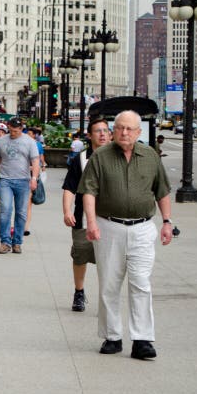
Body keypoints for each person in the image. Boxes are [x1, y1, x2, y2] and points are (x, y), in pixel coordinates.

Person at [79, 110, 173, 360]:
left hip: (142, 228)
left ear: (138, 132)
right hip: (108, 226)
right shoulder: (100, 156)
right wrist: (91, 222)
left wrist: (166, 222)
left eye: (129, 128)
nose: (124, 132)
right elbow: (89, 191)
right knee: (109, 284)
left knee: (141, 283)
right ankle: (112, 336)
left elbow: (162, 191)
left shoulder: (150, 156)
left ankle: (142, 339)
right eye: (120, 127)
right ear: (113, 130)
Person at [61, 116, 111, 312]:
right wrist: (67, 211)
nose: (102, 134)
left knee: (108, 261)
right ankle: (79, 292)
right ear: (90, 136)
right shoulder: (80, 159)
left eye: (105, 131)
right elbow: (69, 187)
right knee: (80, 255)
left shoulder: (118, 156)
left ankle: (106, 297)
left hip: (111, 219)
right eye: (98, 131)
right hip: (82, 219)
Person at [0, 116, 40, 254]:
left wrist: (34, 178)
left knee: (21, 212)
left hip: (23, 180)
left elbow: (35, 161)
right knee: (5, 210)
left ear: (21, 129)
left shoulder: (29, 142)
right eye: (10, 130)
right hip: (5, 180)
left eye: (15, 131)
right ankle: (5, 242)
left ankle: (17, 242)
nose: (12, 133)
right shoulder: (2, 141)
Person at [23, 126, 46, 237]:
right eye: (27, 133)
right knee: (24, 203)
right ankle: (23, 226)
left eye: (30, 133)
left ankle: (25, 227)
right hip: (22, 175)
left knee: (28, 203)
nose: (28, 135)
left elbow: (40, 157)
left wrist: (42, 165)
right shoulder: (22, 144)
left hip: (32, 175)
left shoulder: (37, 145)